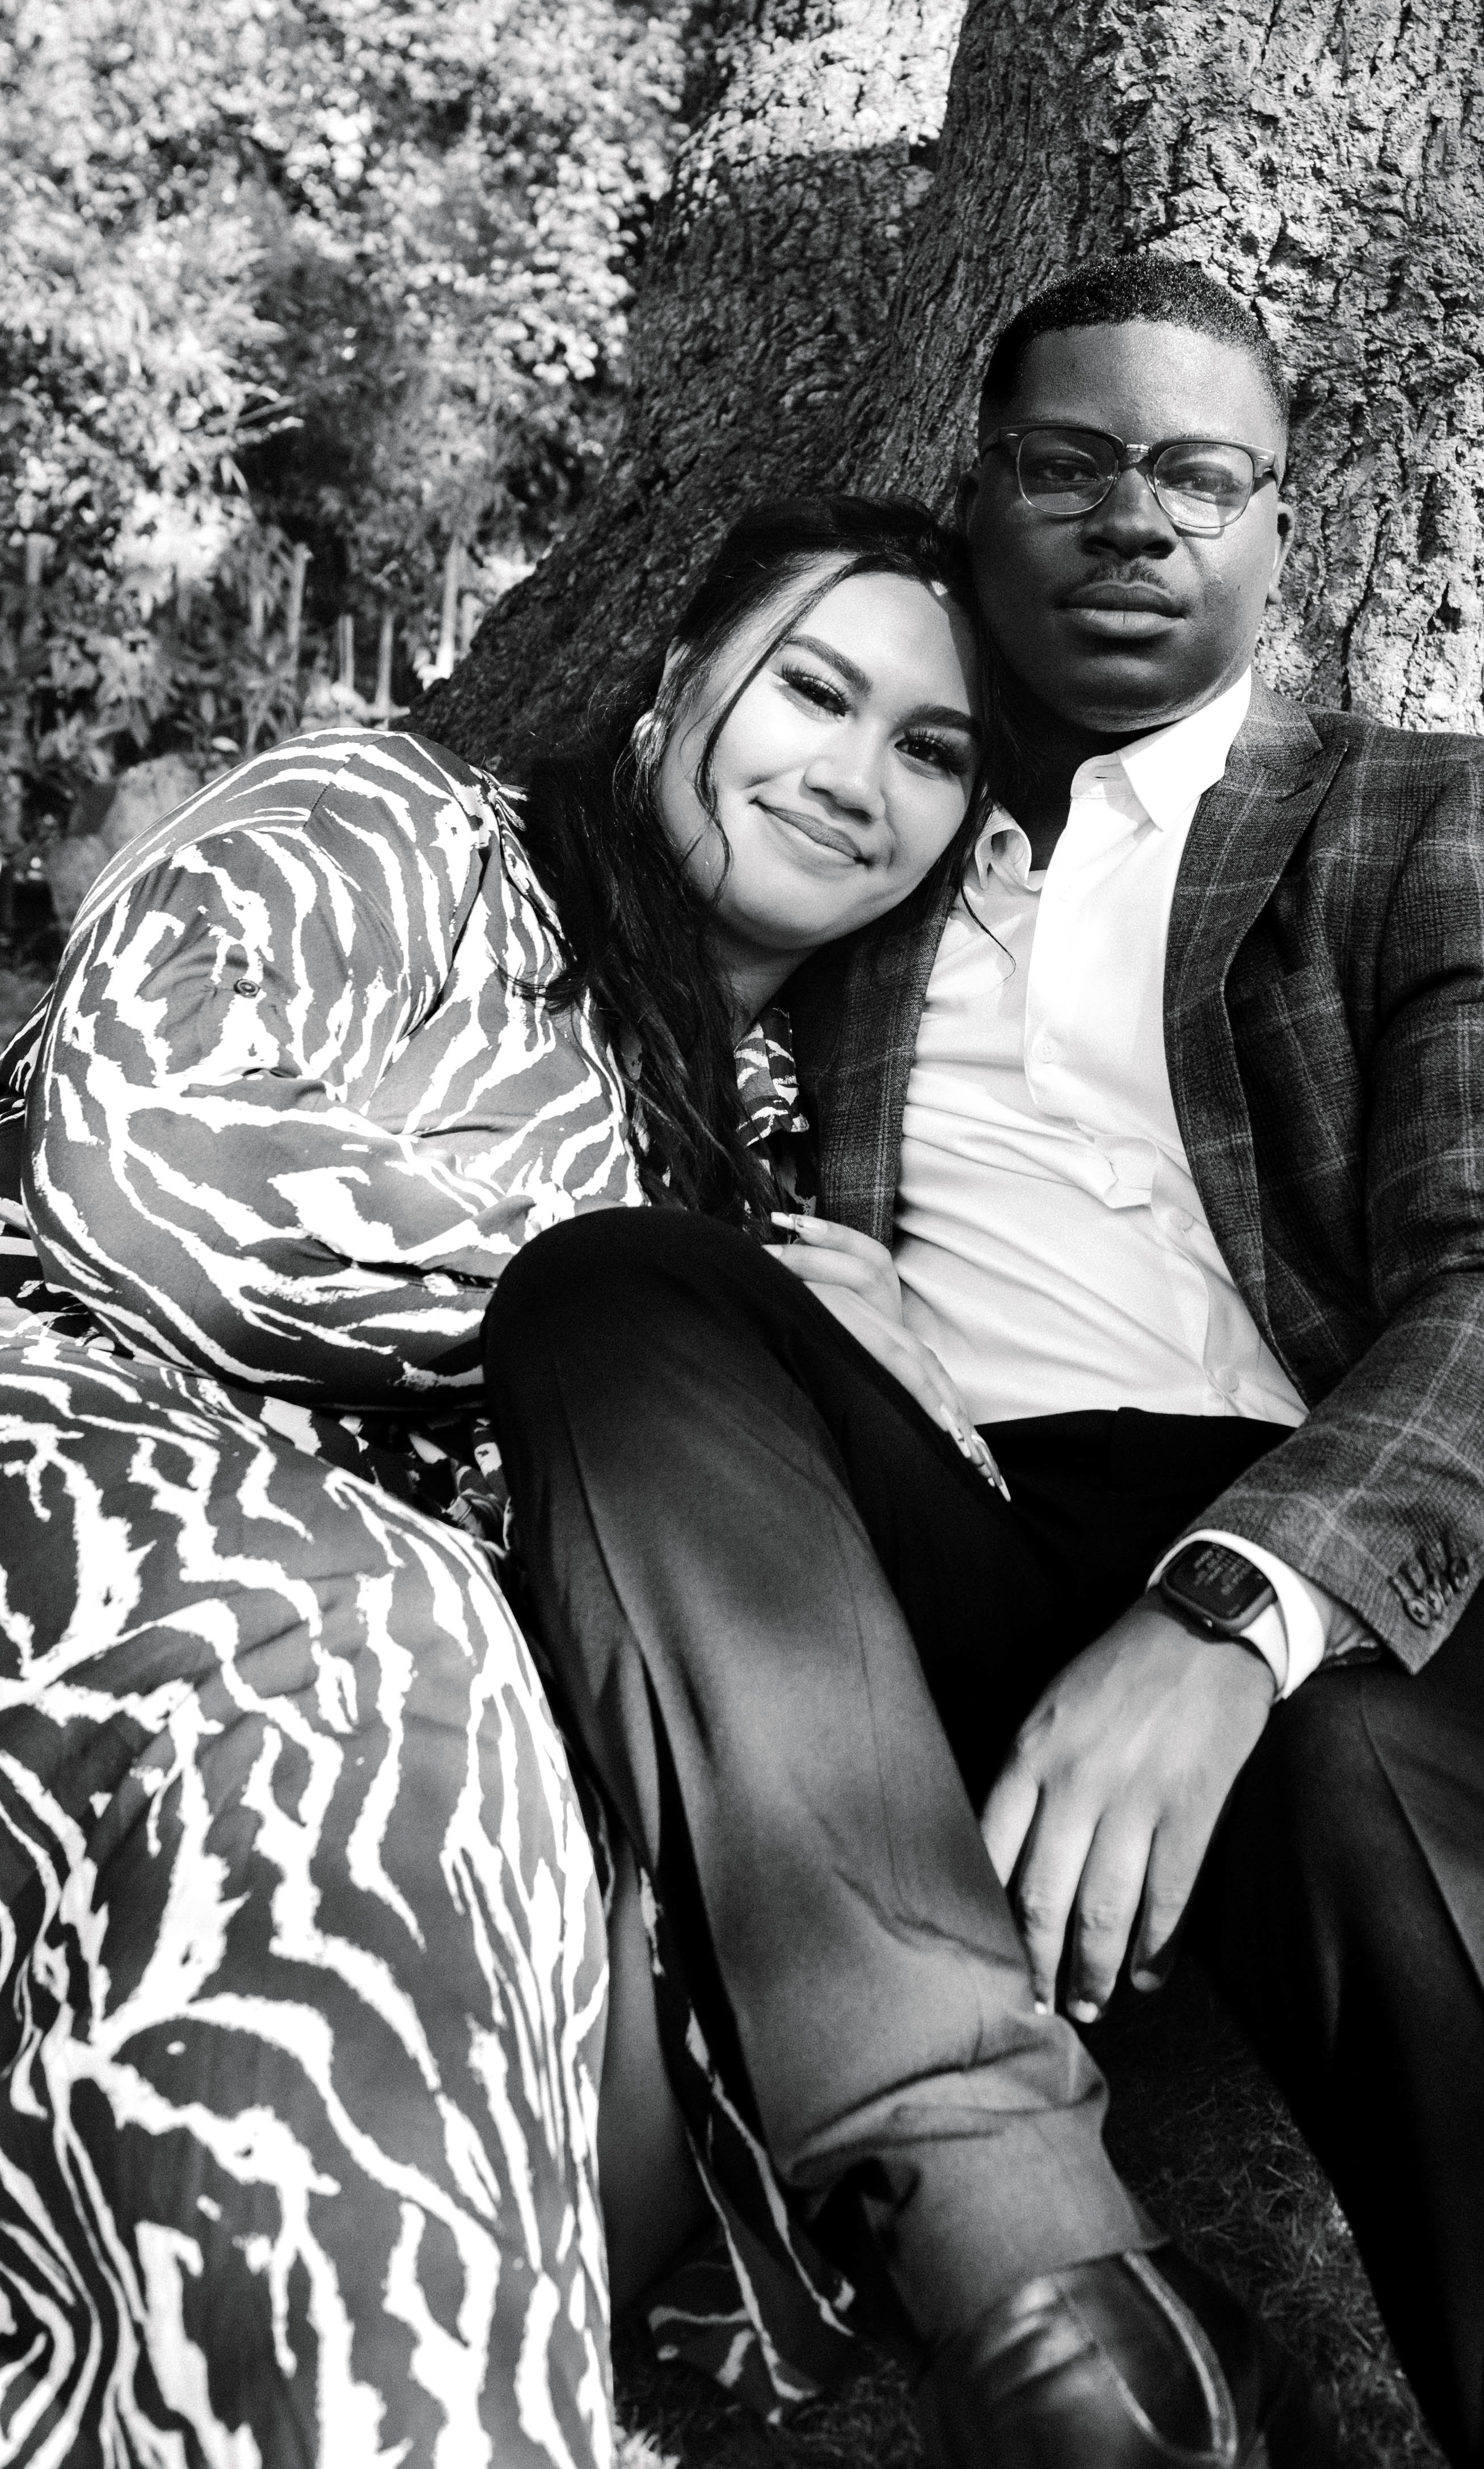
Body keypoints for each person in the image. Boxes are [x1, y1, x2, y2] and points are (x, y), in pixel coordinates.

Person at [485, 261, 1484, 2468]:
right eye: (1069, 464)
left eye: (1199, 475)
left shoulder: (1430, 818)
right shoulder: (886, 839)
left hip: (1344, 1559)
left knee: (1362, 1775)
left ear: (1278, 529)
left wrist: (1228, 1616)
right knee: (612, 1295)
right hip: (951, 1531)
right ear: (981, 499)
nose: (1134, 517)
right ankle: (1045, 2285)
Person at [0, 497, 992, 2467]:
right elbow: (134, 1156)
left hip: (467, 1722)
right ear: (673, 688)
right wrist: (631, 1312)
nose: (854, 775)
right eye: (814, 690)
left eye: (932, 750)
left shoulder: (791, 1172)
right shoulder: (404, 835)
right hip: (96, 1467)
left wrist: (876, 1384)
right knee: (384, 1651)